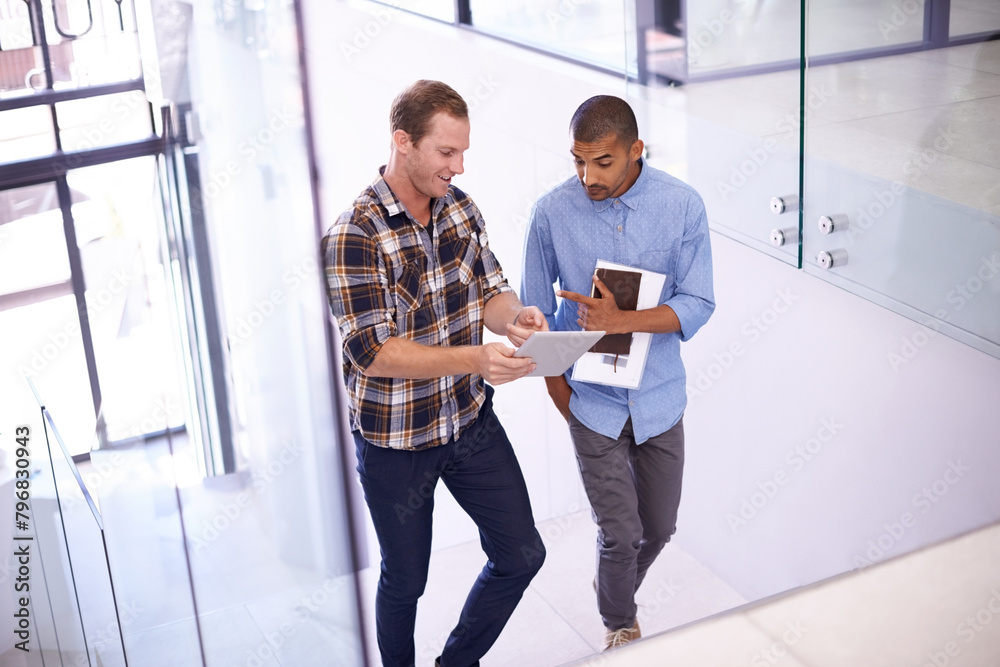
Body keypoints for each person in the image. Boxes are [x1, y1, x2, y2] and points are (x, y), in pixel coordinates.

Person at [323, 80, 548, 667]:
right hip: (397, 442)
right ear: (404, 142)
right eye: (446, 152)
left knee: (522, 554)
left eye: (463, 152)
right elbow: (373, 351)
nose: (459, 165)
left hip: (468, 422)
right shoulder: (355, 233)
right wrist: (477, 357)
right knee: (406, 581)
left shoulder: (461, 209)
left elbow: (491, 292)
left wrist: (516, 319)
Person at [520, 95, 715, 650]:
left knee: (658, 528)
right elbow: (535, 316)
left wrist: (622, 319)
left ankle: (615, 587)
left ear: (636, 150)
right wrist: (562, 395)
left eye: (602, 162)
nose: (587, 177)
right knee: (620, 533)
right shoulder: (551, 213)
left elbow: (698, 302)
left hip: (659, 399)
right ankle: (619, 626)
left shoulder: (682, 206)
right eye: (578, 161)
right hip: (591, 403)